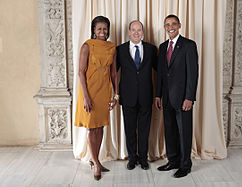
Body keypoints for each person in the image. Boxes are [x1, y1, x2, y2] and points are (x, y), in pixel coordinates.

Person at [74, 16, 118, 180]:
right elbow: (80, 72)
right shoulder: (87, 46)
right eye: (99, 28)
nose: (102, 32)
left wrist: (116, 94)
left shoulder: (112, 47)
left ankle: (96, 160)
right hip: (90, 92)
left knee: (100, 127)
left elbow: (114, 73)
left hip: (104, 91)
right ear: (93, 30)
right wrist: (86, 97)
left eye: (105, 28)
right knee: (92, 128)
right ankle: (96, 164)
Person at [155, 14, 198, 178]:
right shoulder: (163, 46)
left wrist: (189, 97)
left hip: (183, 99)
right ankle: (172, 161)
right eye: (167, 24)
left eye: (173, 24)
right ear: (165, 27)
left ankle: (185, 165)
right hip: (166, 98)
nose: (170, 27)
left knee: (184, 132)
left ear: (179, 25)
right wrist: (158, 95)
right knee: (170, 130)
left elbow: (193, 74)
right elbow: (160, 74)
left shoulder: (188, 45)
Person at [116, 20, 157, 170]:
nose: (136, 33)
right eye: (133, 30)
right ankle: (132, 158)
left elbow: (159, 72)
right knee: (130, 129)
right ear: (128, 32)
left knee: (145, 130)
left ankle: (143, 159)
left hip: (146, 96)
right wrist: (115, 94)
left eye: (139, 30)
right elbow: (113, 73)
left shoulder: (151, 49)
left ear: (143, 32)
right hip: (127, 97)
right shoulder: (120, 50)